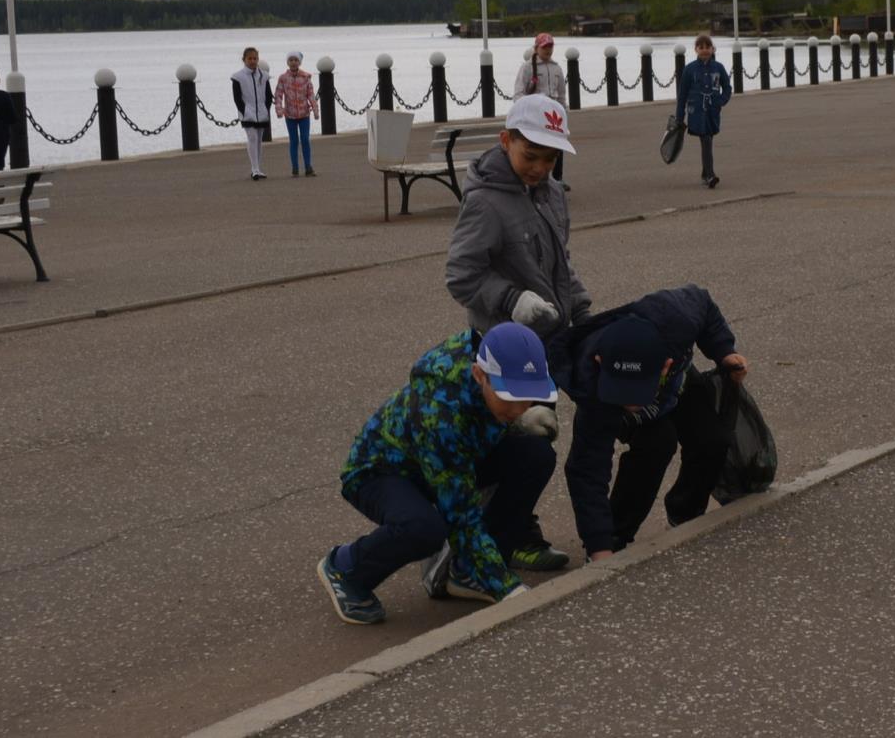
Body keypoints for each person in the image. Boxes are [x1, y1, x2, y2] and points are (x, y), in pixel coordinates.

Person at [315, 323, 561, 624]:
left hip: (452, 457)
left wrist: (516, 423)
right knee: (425, 528)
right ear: (479, 375)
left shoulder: (502, 369)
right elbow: (460, 510)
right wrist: (507, 589)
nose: (519, 407)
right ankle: (346, 568)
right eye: (510, 397)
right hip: (382, 470)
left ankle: (467, 572)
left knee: (535, 455)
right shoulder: (441, 408)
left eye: (527, 397)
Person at [445, 92, 590, 570]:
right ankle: (491, 538)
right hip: (502, 351)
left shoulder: (548, 193)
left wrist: (583, 312)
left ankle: (508, 530)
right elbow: (461, 274)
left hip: (545, 344)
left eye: (550, 158)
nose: (540, 167)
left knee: (538, 440)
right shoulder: (486, 201)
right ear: (506, 140)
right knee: (514, 447)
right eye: (531, 155)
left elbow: (559, 265)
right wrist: (512, 300)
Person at [550, 285, 749, 560]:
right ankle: (617, 533)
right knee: (656, 445)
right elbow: (586, 472)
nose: (630, 402)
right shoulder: (593, 389)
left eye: (636, 393)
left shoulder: (679, 316)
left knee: (712, 440)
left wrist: (723, 350)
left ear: (665, 366)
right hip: (613, 402)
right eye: (622, 391)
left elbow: (704, 302)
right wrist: (599, 549)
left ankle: (686, 514)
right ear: (600, 361)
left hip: (677, 385)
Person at [674, 34, 732, 188]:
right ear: (696, 50)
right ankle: (710, 175)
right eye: (701, 47)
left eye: (708, 47)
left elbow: (727, 88)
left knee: (708, 139)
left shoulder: (718, 67)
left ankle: (704, 173)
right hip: (696, 111)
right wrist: (680, 117)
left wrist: (720, 101)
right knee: (706, 139)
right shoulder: (689, 69)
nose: (705, 50)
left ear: (713, 49)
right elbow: (682, 95)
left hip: (713, 111)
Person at [513, 33, 570, 188]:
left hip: (553, 115)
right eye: (545, 47)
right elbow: (518, 93)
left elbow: (561, 94)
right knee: (537, 147)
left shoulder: (557, 68)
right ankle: (537, 177)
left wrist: (563, 114)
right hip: (535, 114)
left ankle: (557, 179)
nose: (548, 50)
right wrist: (525, 113)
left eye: (550, 47)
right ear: (536, 48)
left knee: (557, 146)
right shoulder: (527, 67)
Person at [274, 50, 318, 177]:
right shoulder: (283, 78)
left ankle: (308, 167)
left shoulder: (306, 77)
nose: (293, 62)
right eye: (291, 60)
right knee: (294, 141)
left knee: (305, 140)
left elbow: (310, 94)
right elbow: (278, 95)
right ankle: (295, 168)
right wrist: (279, 110)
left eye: (295, 60)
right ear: (287, 62)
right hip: (290, 115)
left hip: (304, 114)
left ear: (299, 62)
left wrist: (315, 109)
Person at [231, 47, 273, 180]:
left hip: (261, 112)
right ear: (244, 60)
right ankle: (254, 169)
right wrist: (243, 111)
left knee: (259, 140)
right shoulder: (238, 77)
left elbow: (268, 95)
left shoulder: (264, 76)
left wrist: (266, 108)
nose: (252, 61)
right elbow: (237, 98)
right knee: (252, 138)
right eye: (249, 58)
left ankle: (258, 168)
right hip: (248, 113)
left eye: (255, 58)